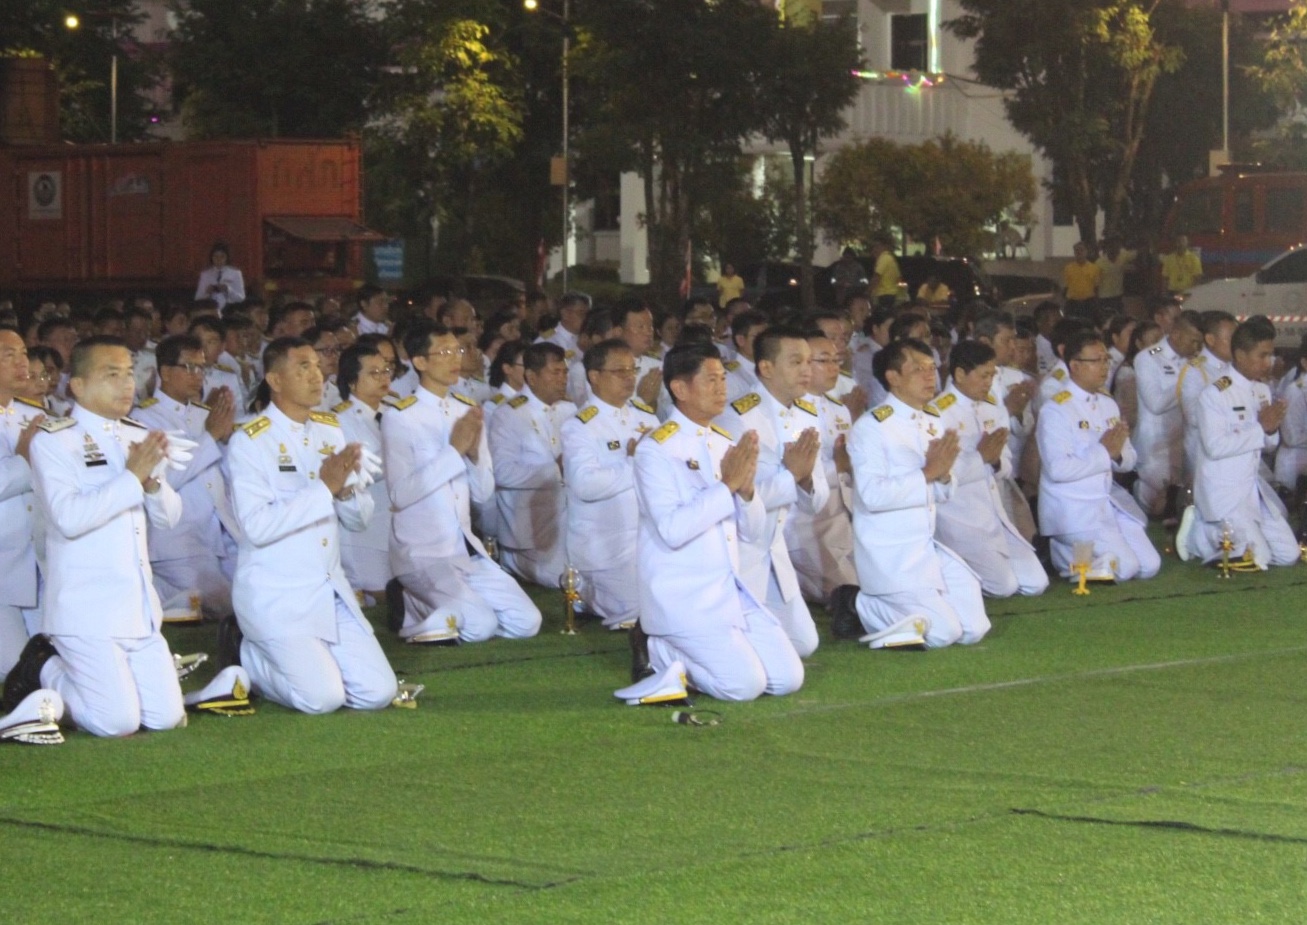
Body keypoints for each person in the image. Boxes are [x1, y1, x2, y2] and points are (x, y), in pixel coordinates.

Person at [4, 336, 186, 737]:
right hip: (86, 610)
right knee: (114, 722)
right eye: (111, 375)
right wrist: (132, 477)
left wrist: (153, 485)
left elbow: (171, 517)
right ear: (78, 386)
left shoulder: (136, 435)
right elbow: (69, 518)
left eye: (128, 374)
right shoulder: (54, 440)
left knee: (164, 718)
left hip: (138, 607)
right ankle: (42, 667)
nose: (126, 385)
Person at [225, 337, 397, 714]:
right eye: (303, 367)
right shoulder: (250, 440)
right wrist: (324, 488)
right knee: (322, 699)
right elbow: (257, 527)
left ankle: (302, 661)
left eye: (318, 367)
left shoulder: (328, 429)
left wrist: (347, 494)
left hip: (327, 590)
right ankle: (249, 656)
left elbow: (358, 519)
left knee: (377, 692)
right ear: (274, 379)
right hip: (277, 595)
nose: (316, 375)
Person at [632, 343, 804, 701]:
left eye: (723, 379)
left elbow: (752, 530)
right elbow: (673, 530)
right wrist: (727, 486)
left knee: (787, 679)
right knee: (743, 686)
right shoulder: (656, 449)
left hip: (729, 591)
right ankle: (658, 649)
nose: (722, 388)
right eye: (710, 380)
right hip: (686, 598)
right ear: (680, 389)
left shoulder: (724, 442)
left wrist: (745, 494)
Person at [382, 321, 541, 643]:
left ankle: (444, 609)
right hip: (423, 551)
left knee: (527, 622)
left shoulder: (466, 409)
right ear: (420, 361)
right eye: (443, 352)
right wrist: (454, 450)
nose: (455, 358)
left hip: (464, 548)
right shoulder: (400, 416)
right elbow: (400, 494)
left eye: (458, 350)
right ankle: (411, 605)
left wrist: (473, 456)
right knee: (479, 626)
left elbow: (482, 493)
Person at [831, 338, 991, 650]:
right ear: (893, 377)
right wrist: (928, 473)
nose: (930, 376)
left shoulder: (932, 419)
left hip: (926, 546)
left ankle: (898, 607)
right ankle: (857, 603)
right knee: (943, 634)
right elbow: (872, 496)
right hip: (892, 554)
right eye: (918, 369)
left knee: (974, 629)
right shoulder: (871, 427)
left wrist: (943, 475)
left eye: (932, 368)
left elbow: (944, 492)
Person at [716, 327, 828, 658]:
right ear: (765, 368)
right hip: (741, 549)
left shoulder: (808, 412)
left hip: (774, 549)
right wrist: (791, 475)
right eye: (795, 362)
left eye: (809, 361)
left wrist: (804, 480)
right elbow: (738, 496)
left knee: (805, 644)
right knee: (745, 651)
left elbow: (816, 500)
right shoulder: (738, 417)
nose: (806, 370)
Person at [1036, 329, 1160, 582]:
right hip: (1074, 509)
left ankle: (1079, 553)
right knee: (1125, 569)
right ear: (1075, 365)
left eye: (1106, 360)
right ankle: (1066, 555)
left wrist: (1116, 456)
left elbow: (1128, 457)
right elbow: (1058, 469)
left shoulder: (1106, 403)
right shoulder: (1056, 409)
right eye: (1096, 361)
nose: (1104, 367)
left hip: (1106, 504)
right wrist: (1105, 452)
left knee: (1150, 566)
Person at [132, 334, 240, 619]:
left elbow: (224, 474)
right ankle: (158, 595)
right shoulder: (145, 418)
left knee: (254, 594)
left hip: (221, 531)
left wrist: (227, 440)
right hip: (178, 537)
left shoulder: (205, 414)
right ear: (165, 372)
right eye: (189, 367)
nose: (198, 376)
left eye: (201, 368)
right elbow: (164, 478)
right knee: (223, 606)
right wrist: (212, 435)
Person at [1179, 317, 1298, 569]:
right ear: (1240, 355)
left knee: (1288, 555)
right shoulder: (1215, 393)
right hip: (1224, 491)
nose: (1269, 363)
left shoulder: (1262, 391)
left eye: (1271, 355)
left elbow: (1268, 446)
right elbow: (1215, 446)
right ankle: (1199, 534)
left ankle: (1228, 536)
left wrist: (1272, 429)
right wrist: (1261, 427)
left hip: (1251, 489)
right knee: (1256, 558)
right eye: (1262, 355)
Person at [932, 342, 1048, 598]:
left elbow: (1005, 464)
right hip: (960, 516)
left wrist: (994, 461)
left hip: (995, 512)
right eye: (983, 375)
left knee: (1035, 583)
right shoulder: (939, 413)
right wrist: (981, 458)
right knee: (1003, 587)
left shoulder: (992, 408)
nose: (989, 382)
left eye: (992, 375)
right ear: (960, 374)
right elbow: (940, 474)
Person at [560, 338, 659, 633]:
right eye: (619, 371)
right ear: (594, 376)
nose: (630, 377)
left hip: (647, 543)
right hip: (606, 548)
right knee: (641, 613)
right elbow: (585, 485)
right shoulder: (579, 425)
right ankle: (585, 594)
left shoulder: (646, 416)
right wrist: (633, 463)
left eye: (632, 369)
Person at [488, 343, 576, 588]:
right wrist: (555, 469)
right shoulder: (508, 414)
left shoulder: (569, 410)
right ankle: (511, 560)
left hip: (569, 522)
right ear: (532, 377)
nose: (562, 379)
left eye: (565, 372)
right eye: (555, 373)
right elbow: (502, 472)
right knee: (567, 581)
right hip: (528, 533)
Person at [784, 329, 858, 602]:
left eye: (837, 361)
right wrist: (837, 468)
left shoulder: (839, 409)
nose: (833, 368)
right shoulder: (789, 411)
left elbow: (847, 465)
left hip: (841, 512)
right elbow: (794, 472)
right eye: (823, 360)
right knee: (846, 594)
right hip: (806, 520)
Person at [333, 342, 395, 603]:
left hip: (397, 523)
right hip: (364, 528)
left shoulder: (395, 412)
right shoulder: (339, 421)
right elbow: (354, 471)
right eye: (374, 373)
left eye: (386, 370)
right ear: (352, 382)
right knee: (378, 597)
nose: (384, 378)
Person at [0, 329, 45, 679]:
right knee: (15, 670)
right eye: (7, 354)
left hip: (39, 558)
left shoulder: (32, 416)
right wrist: (23, 460)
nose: (21, 362)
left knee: (58, 659)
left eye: (23, 353)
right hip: (3, 563)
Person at [1131, 310, 1203, 517]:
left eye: (1200, 343)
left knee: (1188, 507)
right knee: (1163, 511)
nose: (1197, 348)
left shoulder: (1196, 361)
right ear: (1176, 334)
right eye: (1193, 341)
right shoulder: (1148, 357)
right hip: (1155, 449)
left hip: (1184, 444)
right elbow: (1155, 403)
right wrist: (1187, 381)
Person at [1178, 310, 1236, 477]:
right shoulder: (1194, 370)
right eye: (1231, 339)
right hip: (1203, 458)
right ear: (1210, 340)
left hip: (1229, 453)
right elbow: (1194, 417)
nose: (1236, 344)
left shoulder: (1232, 368)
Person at [723, 308, 770, 403]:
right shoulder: (730, 376)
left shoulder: (771, 369)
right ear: (741, 340)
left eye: (768, 336)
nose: (765, 342)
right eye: (758, 337)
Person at [195, 242, 245, 313]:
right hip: (210, 309)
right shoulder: (205, 274)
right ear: (211, 258)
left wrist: (227, 289)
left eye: (222, 256)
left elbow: (241, 298)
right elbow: (197, 298)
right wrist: (207, 293)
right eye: (216, 256)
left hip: (230, 310)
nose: (219, 259)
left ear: (227, 258)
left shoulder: (235, 273)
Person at [1095, 236, 1136, 315]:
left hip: (1118, 296)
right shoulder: (1099, 263)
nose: (1115, 249)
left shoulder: (1123, 256)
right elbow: (1096, 283)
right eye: (1112, 247)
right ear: (1107, 248)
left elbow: (1137, 253)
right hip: (1104, 297)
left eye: (1117, 247)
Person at [1062, 242, 1101, 321]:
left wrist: (1095, 304)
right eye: (1076, 250)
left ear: (1086, 252)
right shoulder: (1068, 268)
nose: (1079, 252)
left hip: (1088, 304)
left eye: (1081, 250)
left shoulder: (1094, 268)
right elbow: (1066, 287)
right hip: (1073, 304)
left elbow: (1096, 288)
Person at [869, 237, 901, 312]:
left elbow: (877, 277)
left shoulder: (883, 258)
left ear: (880, 247)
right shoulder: (891, 259)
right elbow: (898, 278)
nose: (873, 251)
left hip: (883, 294)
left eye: (875, 247)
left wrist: (868, 291)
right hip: (892, 294)